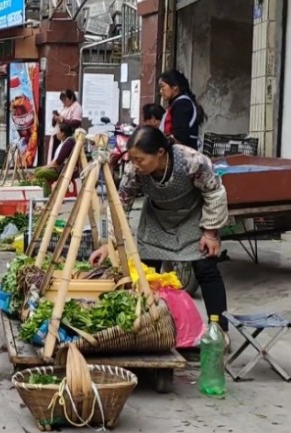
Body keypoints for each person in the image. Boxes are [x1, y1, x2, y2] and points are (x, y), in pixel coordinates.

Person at [89, 125, 229, 331]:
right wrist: (108, 243)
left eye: (140, 159)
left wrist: (210, 233)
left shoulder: (192, 161)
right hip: (157, 218)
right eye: (132, 159)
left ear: (160, 153)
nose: (135, 165)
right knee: (144, 271)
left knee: (206, 268)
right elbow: (121, 205)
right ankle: (147, 327)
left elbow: (215, 193)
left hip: (192, 216)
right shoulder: (133, 171)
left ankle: (219, 330)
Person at [159, 69, 206, 150]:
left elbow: (180, 138)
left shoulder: (182, 104)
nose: (160, 91)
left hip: (181, 157)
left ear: (175, 87)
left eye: (162, 86)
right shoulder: (178, 103)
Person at [32, 123, 78, 197]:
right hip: (59, 168)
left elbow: (58, 161)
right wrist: (46, 166)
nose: (56, 133)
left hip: (63, 170)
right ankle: (48, 192)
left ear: (63, 133)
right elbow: (55, 160)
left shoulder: (68, 143)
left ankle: (47, 194)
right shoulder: (63, 142)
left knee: (39, 173)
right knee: (38, 170)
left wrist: (46, 167)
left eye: (57, 131)